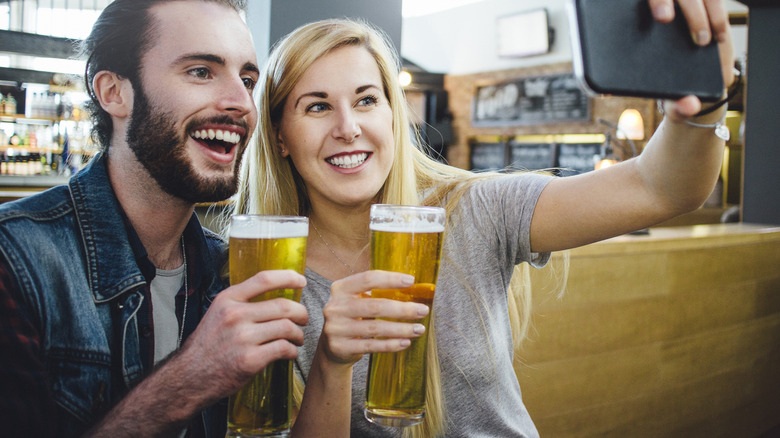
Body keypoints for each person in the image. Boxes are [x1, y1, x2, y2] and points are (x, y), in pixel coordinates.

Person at [233, 0, 736, 436]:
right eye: (317, 107)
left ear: (392, 113)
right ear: (280, 136)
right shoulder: (265, 268)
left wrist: (703, 95)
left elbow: (661, 188)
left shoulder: (475, 210)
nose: (348, 127)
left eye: (367, 100)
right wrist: (330, 364)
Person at [0, 1, 309, 436]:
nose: (242, 103)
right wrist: (187, 381)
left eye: (247, 80)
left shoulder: (228, 268)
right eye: (201, 71)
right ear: (113, 92)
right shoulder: (17, 258)